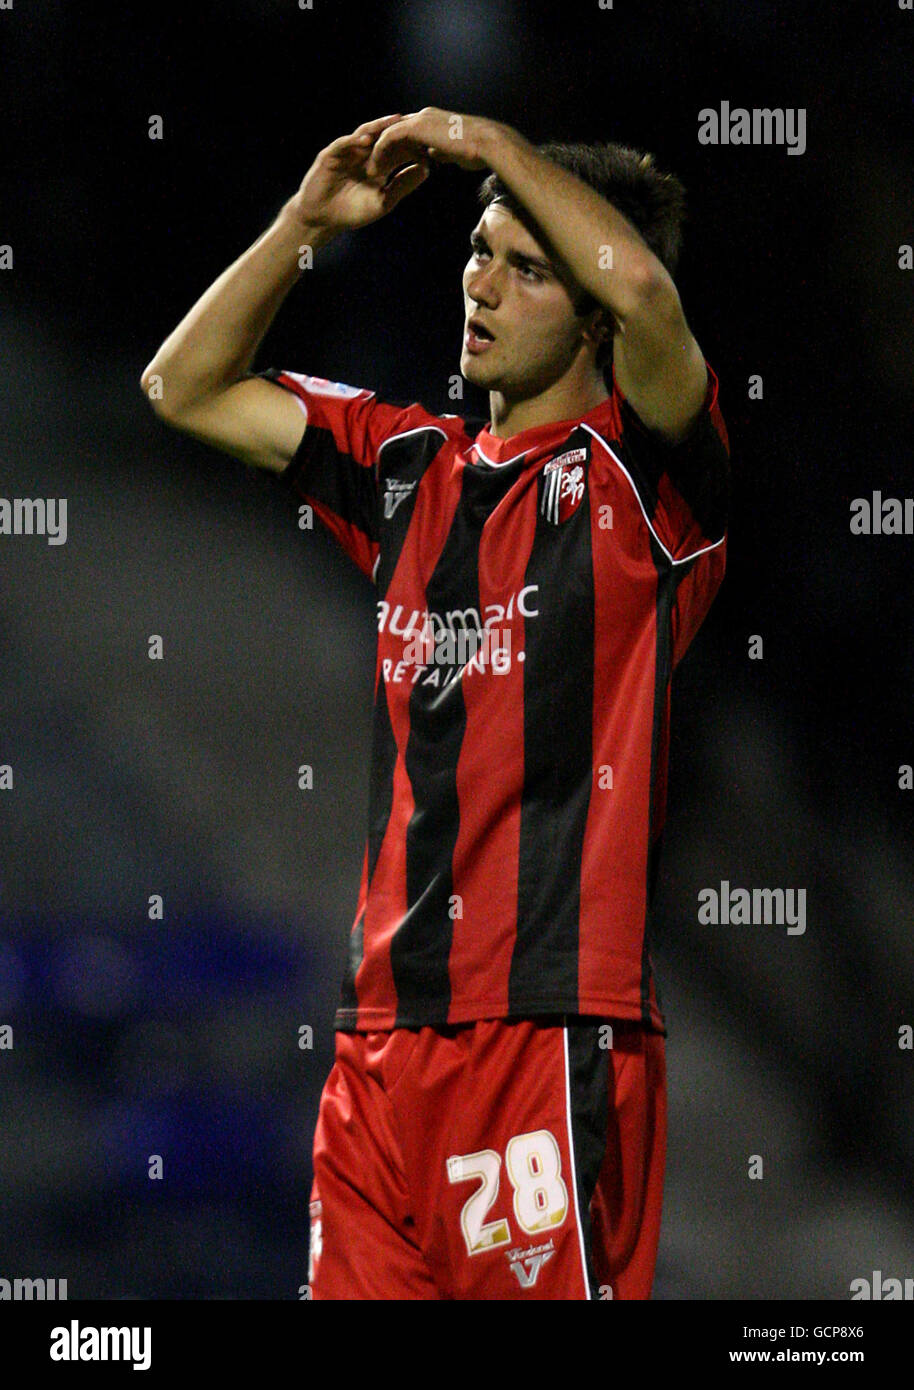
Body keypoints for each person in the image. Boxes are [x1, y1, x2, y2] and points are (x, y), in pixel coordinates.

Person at [140, 107, 731, 1300]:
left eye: (526, 269)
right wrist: (306, 223)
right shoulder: (406, 466)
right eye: (477, 250)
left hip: (548, 1030)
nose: (482, 286)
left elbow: (650, 295)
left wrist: (495, 148)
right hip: (377, 1049)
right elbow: (183, 386)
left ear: (591, 319)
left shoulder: (646, 484)